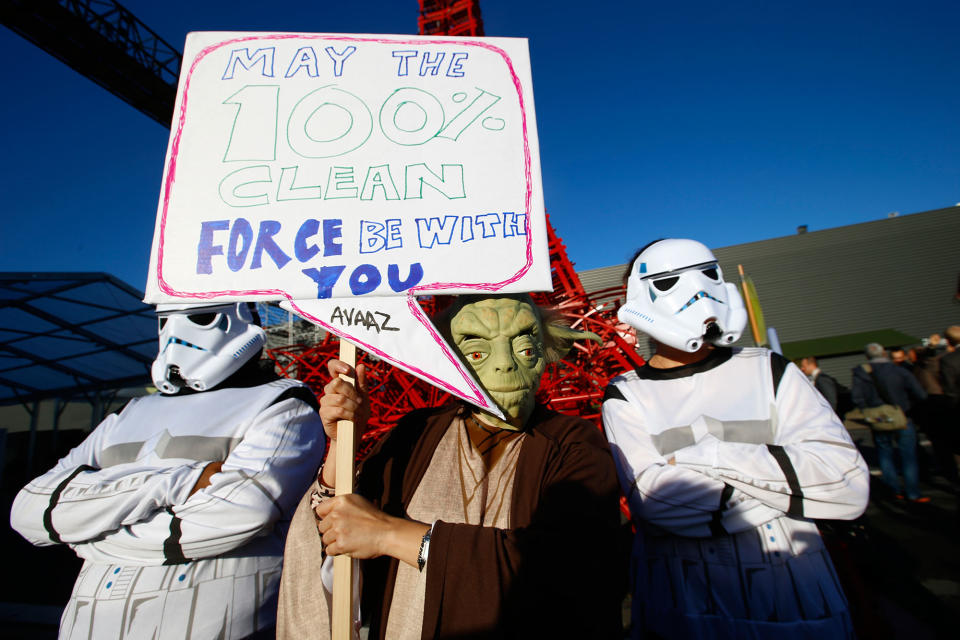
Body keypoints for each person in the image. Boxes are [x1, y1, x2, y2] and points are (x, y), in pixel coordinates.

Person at [276, 294, 624, 639]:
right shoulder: (416, 433)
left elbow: (570, 565)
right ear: (449, 360)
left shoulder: (575, 444)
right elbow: (338, 523)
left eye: (525, 349)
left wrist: (388, 534)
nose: (504, 363)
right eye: (477, 352)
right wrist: (341, 440)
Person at [603, 238, 869, 639]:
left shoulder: (768, 369)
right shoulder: (626, 393)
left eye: (709, 275)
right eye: (670, 282)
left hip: (800, 602)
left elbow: (846, 485)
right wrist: (786, 493)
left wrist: (703, 457)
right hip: (681, 606)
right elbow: (655, 502)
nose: (699, 293)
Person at [10, 302, 325, 639]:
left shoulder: (283, 404)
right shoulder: (130, 412)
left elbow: (240, 513)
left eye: (200, 317)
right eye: (164, 319)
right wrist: (179, 482)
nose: (175, 331)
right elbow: (30, 511)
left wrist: (88, 530)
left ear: (240, 318)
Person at [851, 342, 928, 501]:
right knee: (908, 455)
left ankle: (894, 491)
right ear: (884, 353)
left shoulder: (861, 373)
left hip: (877, 418)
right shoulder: (898, 370)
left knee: (884, 452)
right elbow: (919, 393)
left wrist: (867, 410)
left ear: (867, 357)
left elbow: (857, 397)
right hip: (901, 415)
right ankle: (913, 492)